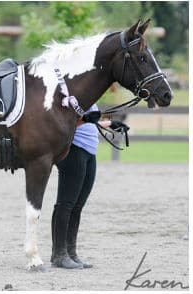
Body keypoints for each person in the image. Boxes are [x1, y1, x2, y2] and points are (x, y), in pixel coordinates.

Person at [51, 104, 129, 269]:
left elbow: (88, 120)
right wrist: (85, 119)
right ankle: (59, 254)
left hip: (89, 151)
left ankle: (71, 252)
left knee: (77, 206)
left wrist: (109, 124)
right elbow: (64, 121)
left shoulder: (88, 94)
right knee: (66, 203)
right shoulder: (71, 92)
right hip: (73, 150)